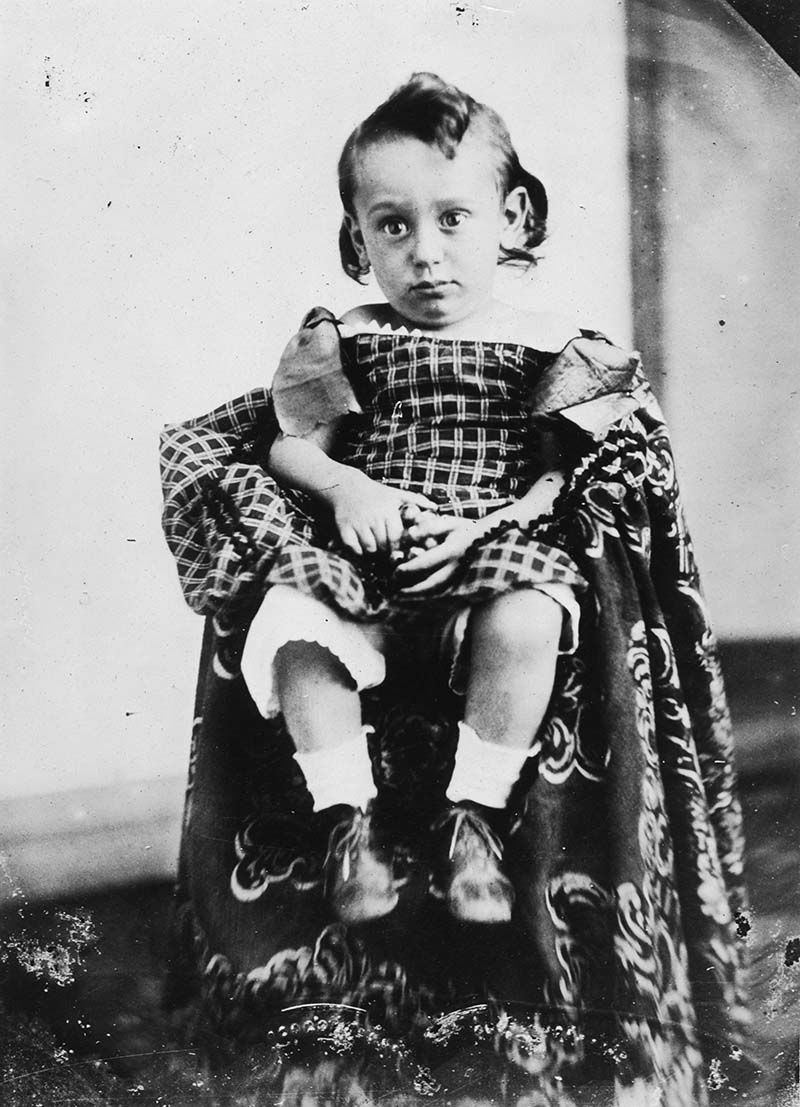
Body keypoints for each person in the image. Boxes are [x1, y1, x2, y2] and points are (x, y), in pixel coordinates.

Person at [159, 73, 748, 1098]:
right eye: (392, 226)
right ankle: (351, 824)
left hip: (482, 545)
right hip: (367, 552)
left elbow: (571, 474)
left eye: (451, 218)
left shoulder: (552, 347)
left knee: (529, 609)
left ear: (511, 217)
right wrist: (343, 489)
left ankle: (473, 819)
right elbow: (287, 448)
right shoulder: (343, 337)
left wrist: (504, 520)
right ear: (356, 241)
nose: (423, 252)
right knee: (294, 622)